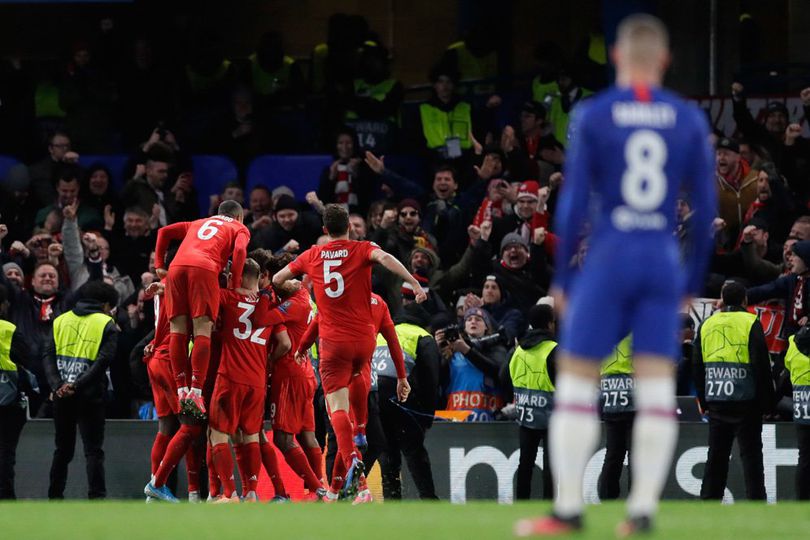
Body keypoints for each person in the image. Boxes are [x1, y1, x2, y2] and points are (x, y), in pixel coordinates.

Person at [514, 15, 716, 536]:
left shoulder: (596, 114)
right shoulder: (687, 119)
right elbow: (708, 204)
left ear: (617, 57)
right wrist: (690, 281)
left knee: (579, 385)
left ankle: (567, 512)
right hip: (659, 260)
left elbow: (574, 200)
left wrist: (561, 278)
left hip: (608, 257)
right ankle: (642, 512)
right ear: (665, 61)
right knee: (654, 390)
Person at [272, 204, 425, 502]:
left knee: (336, 409)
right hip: (363, 342)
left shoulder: (312, 255)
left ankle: (360, 477)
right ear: (350, 228)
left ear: (325, 230)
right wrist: (414, 282)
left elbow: (278, 278)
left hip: (333, 344)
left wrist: (295, 285)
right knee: (356, 398)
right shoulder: (362, 249)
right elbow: (386, 258)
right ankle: (359, 435)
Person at [152, 200, 250, 419]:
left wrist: (159, 264)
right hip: (205, 268)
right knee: (202, 329)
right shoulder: (238, 227)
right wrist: (234, 284)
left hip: (176, 267)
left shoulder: (198, 222)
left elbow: (164, 231)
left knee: (177, 329)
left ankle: (181, 389)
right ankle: (196, 390)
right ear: (240, 217)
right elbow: (241, 250)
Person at [207, 259, 291, 503]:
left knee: (218, 434)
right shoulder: (271, 305)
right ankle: (252, 492)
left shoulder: (226, 297)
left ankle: (230, 494)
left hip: (230, 376)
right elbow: (285, 343)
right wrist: (268, 362)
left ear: (239, 276)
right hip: (257, 379)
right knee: (251, 435)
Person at [691, 281, 774, 501]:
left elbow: (697, 366)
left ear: (722, 299)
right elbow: (761, 365)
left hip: (716, 400)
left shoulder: (706, 324)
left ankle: (709, 502)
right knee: (751, 458)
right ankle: (756, 502)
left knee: (716, 458)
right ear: (745, 300)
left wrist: (703, 400)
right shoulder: (750, 322)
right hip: (746, 402)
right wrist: (767, 403)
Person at [43, 280, 119, 499]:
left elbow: (47, 355)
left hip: (61, 396)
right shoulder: (106, 323)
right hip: (90, 396)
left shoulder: (60, 320)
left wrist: (58, 385)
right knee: (93, 450)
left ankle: (54, 496)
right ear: (105, 305)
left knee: (62, 450)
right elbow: (103, 361)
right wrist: (77, 385)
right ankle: (97, 497)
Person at [506, 304, 557, 500]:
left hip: (526, 414)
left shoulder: (519, 351)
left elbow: (505, 375)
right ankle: (549, 504)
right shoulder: (553, 349)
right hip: (551, 416)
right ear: (550, 324)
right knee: (552, 465)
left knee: (525, 463)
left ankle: (521, 503)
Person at [0, 284, 31, 499]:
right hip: (7, 400)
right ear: (3, 305)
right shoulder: (8, 329)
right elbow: (24, 357)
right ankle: (5, 498)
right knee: (5, 452)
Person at [598, 335, 635, 500]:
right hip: (635, 400)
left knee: (613, 454)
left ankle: (607, 498)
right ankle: (637, 500)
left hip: (610, 399)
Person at [780, 324, 810, 499]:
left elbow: (786, 370)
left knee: (805, 458)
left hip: (802, 405)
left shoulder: (793, 342)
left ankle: (802, 501)